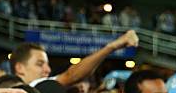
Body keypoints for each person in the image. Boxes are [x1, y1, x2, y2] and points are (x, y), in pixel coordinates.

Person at [10, 30, 139, 86]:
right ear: (19, 67)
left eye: (47, 64)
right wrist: (112, 46)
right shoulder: (29, 88)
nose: (48, 70)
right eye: (39, 64)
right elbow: (72, 76)